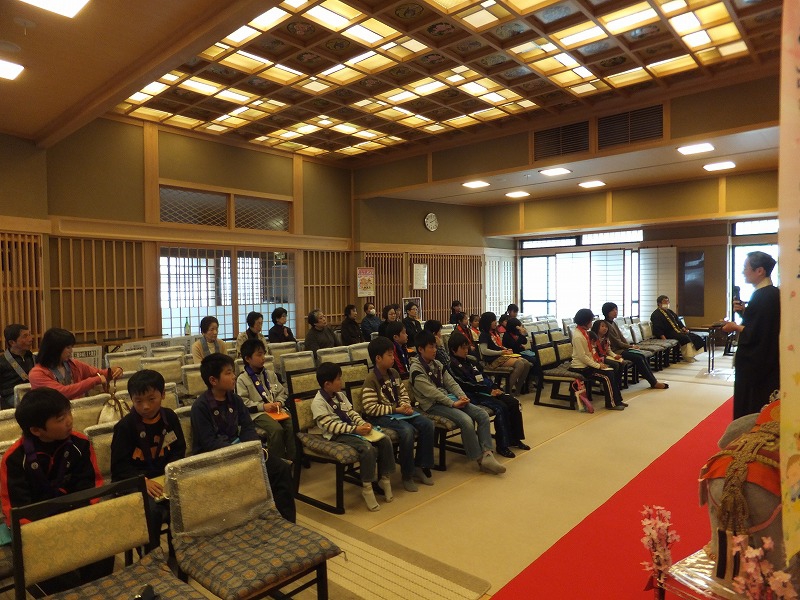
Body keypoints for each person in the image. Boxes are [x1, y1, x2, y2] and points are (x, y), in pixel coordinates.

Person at [0, 388, 114, 593]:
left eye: (68, 412)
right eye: (61, 419)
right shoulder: (15, 459)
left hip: (76, 516)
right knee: (58, 575)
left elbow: (90, 487)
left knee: (104, 548)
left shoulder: (80, 443)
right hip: (37, 527)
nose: (69, 420)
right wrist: (51, 530)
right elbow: (16, 509)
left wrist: (76, 521)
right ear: (37, 430)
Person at [191, 352, 295, 522]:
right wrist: (239, 452)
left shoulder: (235, 399)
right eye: (228, 373)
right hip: (216, 458)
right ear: (213, 380)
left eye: (233, 372)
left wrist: (252, 448)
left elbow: (247, 428)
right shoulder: (200, 407)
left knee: (281, 468)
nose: (234, 376)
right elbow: (209, 442)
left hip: (241, 451)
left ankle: (286, 521)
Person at [110, 369, 185, 552]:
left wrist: (169, 474)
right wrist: (142, 481)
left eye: (151, 399)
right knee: (151, 511)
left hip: (163, 477)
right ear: (131, 399)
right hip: (135, 481)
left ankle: (179, 552)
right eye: (138, 401)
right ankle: (153, 555)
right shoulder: (125, 427)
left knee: (184, 501)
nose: (145, 406)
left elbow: (179, 449)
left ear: (163, 395)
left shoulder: (169, 417)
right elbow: (119, 467)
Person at [411, 331, 506, 475]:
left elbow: (451, 383)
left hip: (449, 399)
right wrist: (452, 403)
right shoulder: (416, 369)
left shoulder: (437, 364)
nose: (435, 350)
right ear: (420, 349)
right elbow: (432, 393)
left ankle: (487, 454)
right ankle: (480, 459)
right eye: (431, 347)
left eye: (435, 346)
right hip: (432, 405)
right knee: (466, 421)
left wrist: (462, 397)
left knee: (481, 415)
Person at [311, 361, 396, 511]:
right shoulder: (318, 402)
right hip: (337, 434)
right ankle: (367, 487)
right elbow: (331, 426)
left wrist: (363, 424)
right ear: (327, 384)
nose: (341, 382)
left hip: (353, 428)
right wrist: (355, 429)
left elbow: (351, 413)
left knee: (385, 440)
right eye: (338, 379)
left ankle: (385, 479)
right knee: (367, 448)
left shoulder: (340, 395)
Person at [361, 336, 434, 492]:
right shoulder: (371, 379)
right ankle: (407, 475)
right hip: (381, 417)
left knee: (427, 424)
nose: (393, 358)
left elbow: (402, 393)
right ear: (378, 358)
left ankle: (420, 466)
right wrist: (395, 410)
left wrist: (406, 405)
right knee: (407, 431)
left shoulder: (394, 373)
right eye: (389, 355)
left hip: (398, 412)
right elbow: (370, 408)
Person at [448, 332, 529, 458]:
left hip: (485, 390)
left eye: (467, 347)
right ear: (453, 350)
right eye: (463, 348)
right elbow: (464, 385)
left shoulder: (471, 360)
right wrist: (488, 390)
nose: (466, 350)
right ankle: (502, 445)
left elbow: (484, 376)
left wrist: (494, 387)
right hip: (473, 395)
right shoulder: (451, 365)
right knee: (501, 407)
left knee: (513, 402)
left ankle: (515, 438)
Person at [722, 251, 781, 419]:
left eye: (746, 268)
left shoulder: (765, 296)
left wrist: (734, 326)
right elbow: (759, 323)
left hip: (758, 363)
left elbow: (758, 333)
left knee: (753, 405)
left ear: (759, 271)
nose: (743, 272)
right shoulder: (768, 293)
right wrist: (743, 312)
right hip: (764, 359)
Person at [236, 338, 296, 461]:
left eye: (264, 354)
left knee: (292, 424)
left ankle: (293, 459)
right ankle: (277, 462)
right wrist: (263, 406)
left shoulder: (270, 374)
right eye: (259, 355)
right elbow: (243, 403)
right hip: (258, 413)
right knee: (276, 430)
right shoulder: (242, 379)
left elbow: (281, 392)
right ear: (248, 358)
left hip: (276, 409)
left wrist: (279, 402)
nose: (263, 357)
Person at [29, 327, 122, 399]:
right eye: (68, 348)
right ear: (55, 349)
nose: (71, 351)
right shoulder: (37, 373)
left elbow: (100, 373)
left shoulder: (73, 364)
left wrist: (115, 371)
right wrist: (94, 380)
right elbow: (61, 393)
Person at [601, 302, 668, 390]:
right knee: (638, 358)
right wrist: (630, 347)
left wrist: (630, 345)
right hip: (615, 351)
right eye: (613, 310)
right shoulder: (606, 325)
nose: (615, 312)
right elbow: (616, 342)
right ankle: (653, 382)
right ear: (607, 312)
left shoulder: (613, 323)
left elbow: (622, 337)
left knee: (641, 355)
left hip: (622, 348)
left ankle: (654, 381)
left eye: (616, 309)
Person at [570, 309, 626, 411]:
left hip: (588, 365)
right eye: (590, 321)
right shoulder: (578, 336)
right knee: (607, 376)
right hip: (581, 367)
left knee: (611, 372)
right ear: (585, 321)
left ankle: (617, 400)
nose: (591, 323)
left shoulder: (584, 333)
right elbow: (583, 357)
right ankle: (611, 404)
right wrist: (598, 365)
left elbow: (591, 352)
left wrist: (598, 362)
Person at [477, 312, 531, 396]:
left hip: (500, 356)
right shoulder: (484, 335)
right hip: (492, 360)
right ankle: (507, 389)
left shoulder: (494, 333)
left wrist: (505, 349)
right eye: (493, 321)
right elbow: (484, 351)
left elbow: (498, 346)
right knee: (520, 364)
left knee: (526, 363)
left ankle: (518, 389)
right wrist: (501, 352)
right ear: (487, 322)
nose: (495, 322)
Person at [650, 295, 705, 362]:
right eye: (665, 302)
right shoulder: (655, 314)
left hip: (676, 331)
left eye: (668, 302)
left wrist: (684, 328)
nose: (667, 303)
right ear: (659, 303)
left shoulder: (670, 311)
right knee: (685, 338)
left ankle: (692, 355)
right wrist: (663, 338)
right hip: (667, 333)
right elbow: (657, 328)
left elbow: (678, 320)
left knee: (693, 336)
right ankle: (687, 357)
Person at [0, 323, 34, 408]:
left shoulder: (34, 358)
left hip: (34, 392)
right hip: (12, 396)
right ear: (12, 342)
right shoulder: (2, 361)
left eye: (29, 334)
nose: (30, 339)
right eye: (25, 336)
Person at [590, 319, 627, 389]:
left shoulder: (606, 338)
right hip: (596, 358)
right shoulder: (593, 338)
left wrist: (615, 356)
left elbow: (609, 350)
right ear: (596, 327)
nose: (605, 328)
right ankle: (609, 384)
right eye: (602, 326)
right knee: (615, 364)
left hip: (604, 356)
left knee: (622, 362)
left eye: (606, 327)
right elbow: (592, 352)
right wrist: (599, 361)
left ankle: (617, 383)